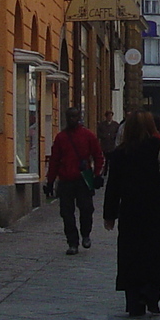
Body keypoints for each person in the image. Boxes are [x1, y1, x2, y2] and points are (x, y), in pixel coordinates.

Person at [102, 112, 160, 316]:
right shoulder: (158, 147)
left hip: (131, 211)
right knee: (157, 252)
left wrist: (109, 214)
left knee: (132, 254)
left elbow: (113, 186)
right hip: (157, 210)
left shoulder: (120, 153)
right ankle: (152, 294)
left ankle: (133, 301)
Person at [45, 107, 105, 255]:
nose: (72, 119)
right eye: (69, 116)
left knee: (86, 209)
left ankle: (85, 234)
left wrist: (97, 174)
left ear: (79, 117)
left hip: (83, 179)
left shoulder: (88, 136)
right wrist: (50, 181)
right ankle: (72, 242)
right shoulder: (61, 138)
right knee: (66, 213)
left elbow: (98, 155)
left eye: (74, 116)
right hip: (65, 180)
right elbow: (54, 161)